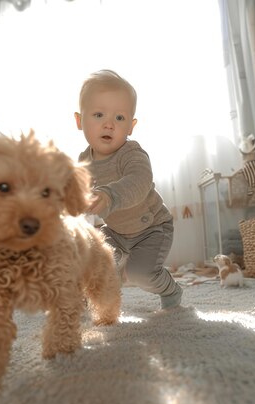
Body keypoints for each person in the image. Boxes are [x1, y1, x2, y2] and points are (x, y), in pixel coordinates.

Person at [74, 69, 182, 310]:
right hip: (115, 231)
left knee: (139, 274)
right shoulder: (83, 160)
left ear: (131, 126)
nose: (109, 124)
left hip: (152, 228)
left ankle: (171, 289)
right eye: (99, 114)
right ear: (80, 121)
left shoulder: (131, 154)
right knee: (95, 263)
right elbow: (74, 189)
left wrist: (109, 195)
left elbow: (139, 181)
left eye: (120, 118)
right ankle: (82, 303)